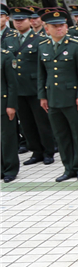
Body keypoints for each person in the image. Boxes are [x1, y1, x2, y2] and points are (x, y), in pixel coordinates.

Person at [37, 9, 78, 182]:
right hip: (53, 98)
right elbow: (41, 74)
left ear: (67, 27)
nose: (59, 29)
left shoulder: (76, 46)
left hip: (72, 97)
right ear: (47, 29)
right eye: (55, 26)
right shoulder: (43, 46)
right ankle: (68, 167)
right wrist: (42, 96)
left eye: (61, 26)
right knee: (61, 135)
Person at [3, 7, 55, 165]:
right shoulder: (9, 40)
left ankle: (48, 151)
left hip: (34, 87)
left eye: (22, 20)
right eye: (16, 20)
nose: (18, 23)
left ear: (30, 21)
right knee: (26, 123)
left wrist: (43, 89)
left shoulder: (40, 40)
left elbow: (44, 66)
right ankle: (36, 151)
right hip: (17, 89)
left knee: (41, 121)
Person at [2, 45, 19, 182]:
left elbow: (12, 84)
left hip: (3, 104)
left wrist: (11, 105)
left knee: (8, 138)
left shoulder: (6, 56)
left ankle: (10, 169)